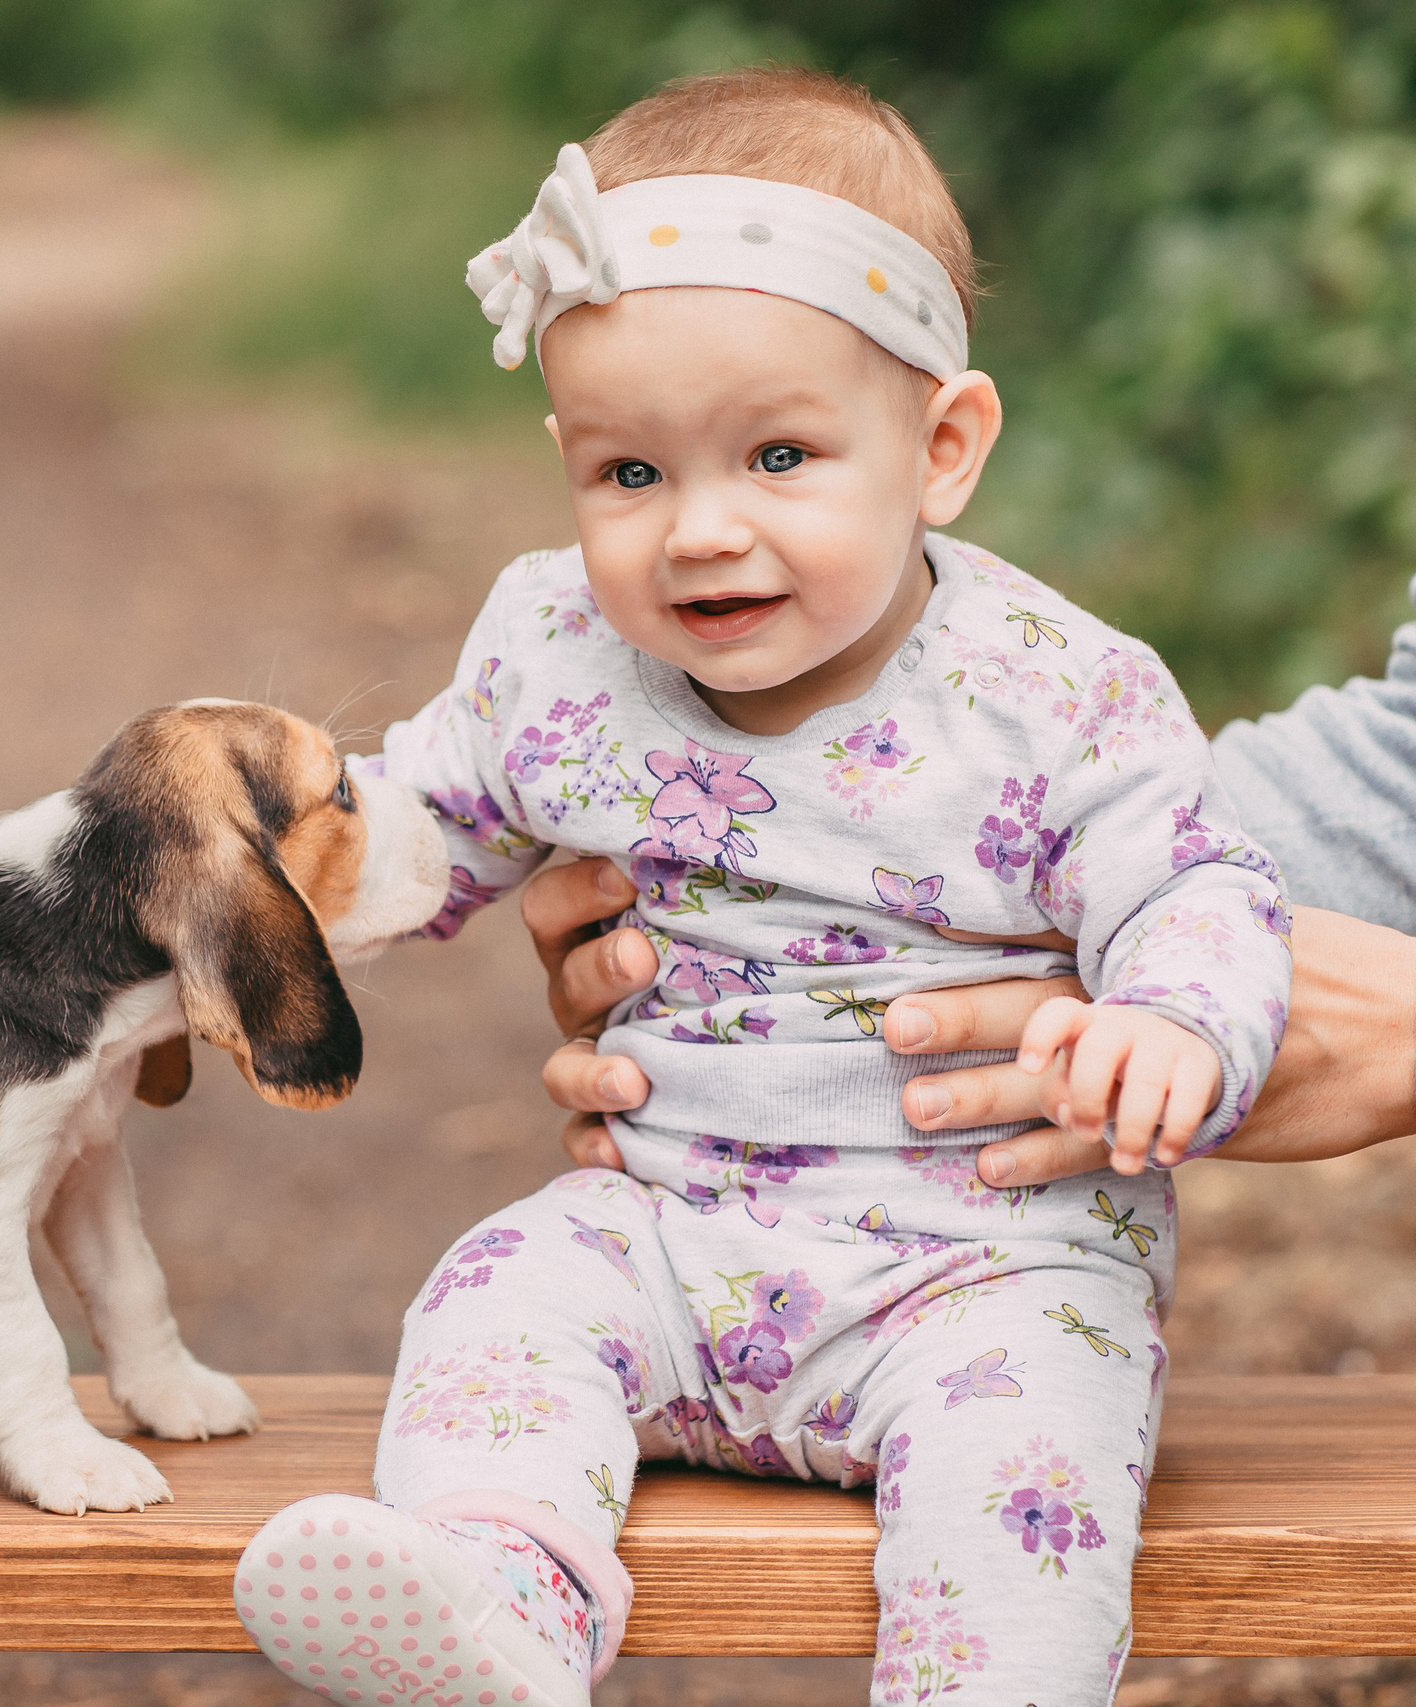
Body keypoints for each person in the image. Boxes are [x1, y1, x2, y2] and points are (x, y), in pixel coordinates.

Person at [231, 68, 1290, 1707]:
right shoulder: (556, 656)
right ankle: (503, 1606)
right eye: (629, 476)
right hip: (665, 1226)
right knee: (497, 1300)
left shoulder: (1051, 693)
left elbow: (1196, 881)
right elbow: (413, 833)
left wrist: (1175, 1022)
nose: (699, 533)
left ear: (941, 447)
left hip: (985, 1264)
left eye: (779, 455)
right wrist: (253, 876)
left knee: (1027, 1484)